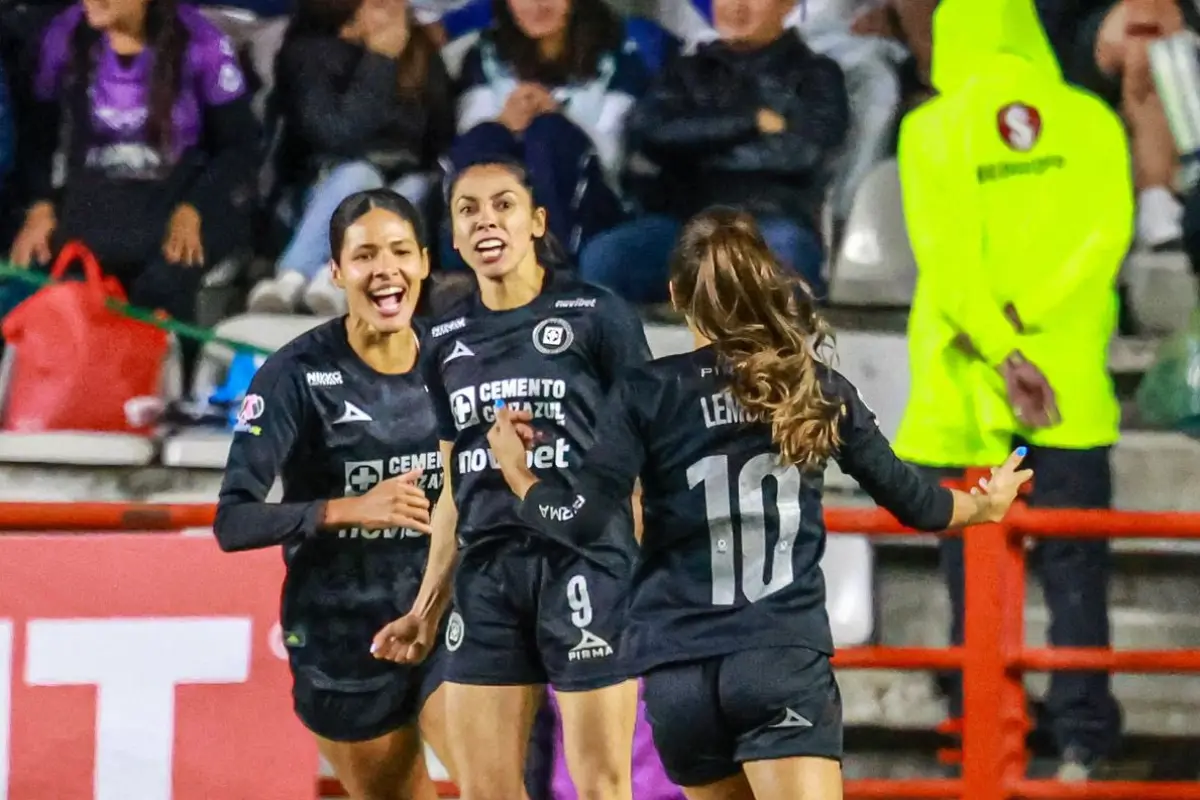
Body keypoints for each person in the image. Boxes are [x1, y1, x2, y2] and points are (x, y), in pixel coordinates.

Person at [482, 208, 1033, 800]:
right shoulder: (812, 385)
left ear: (676, 295)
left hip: (680, 673)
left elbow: (579, 521)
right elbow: (920, 505)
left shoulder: (646, 391)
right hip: (778, 657)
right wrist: (985, 505)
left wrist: (519, 476)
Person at [895, 0, 1132, 778]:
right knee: (1074, 575)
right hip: (1067, 393)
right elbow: (1109, 236)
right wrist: (1028, 323)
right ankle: (1085, 741)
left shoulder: (932, 127)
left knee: (976, 578)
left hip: (966, 397)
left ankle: (987, 737)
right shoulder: (1089, 117)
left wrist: (998, 346)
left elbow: (945, 254)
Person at [374, 156, 651, 800]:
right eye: (467, 210)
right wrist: (424, 607)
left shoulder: (598, 315)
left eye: (503, 205)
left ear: (536, 222)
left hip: (585, 563)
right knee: (486, 790)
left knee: (602, 785)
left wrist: (648, 578)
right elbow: (452, 491)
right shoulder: (442, 338)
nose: (485, 220)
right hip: (489, 576)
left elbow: (647, 466)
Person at [213, 189, 455, 800]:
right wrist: (343, 509)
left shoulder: (458, 362)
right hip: (343, 634)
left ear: (425, 262)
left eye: (400, 251)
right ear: (338, 271)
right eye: (365, 254)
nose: (385, 269)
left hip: (452, 616)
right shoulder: (294, 376)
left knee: (498, 782)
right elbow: (233, 521)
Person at [10, 0, 259, 374]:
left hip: (183, 199)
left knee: (166, 277)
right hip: (96, 200)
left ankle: (174, 392)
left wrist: (196, 208)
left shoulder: (201, 42)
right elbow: (37, 137)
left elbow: (240, 146)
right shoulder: (65, 35)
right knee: (58, 274)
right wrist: (41, 205)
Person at [249, 0, 456, 315]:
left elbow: (439, 139)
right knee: (360, 176)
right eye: (378, 6)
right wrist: (380, 62)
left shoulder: (424, 59)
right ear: (351, 15)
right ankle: (292, 277)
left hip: (399, 187)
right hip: (319, 188)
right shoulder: (311, 55)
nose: (390, 14)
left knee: (414, 189)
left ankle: (334, 279)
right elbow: (338, 134)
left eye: (395, 7)